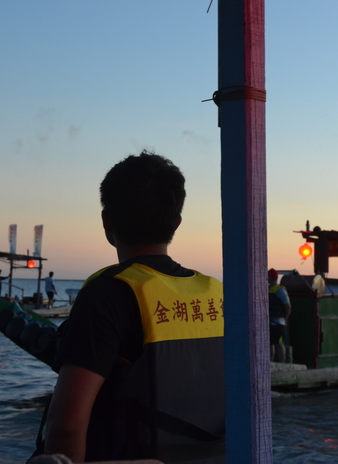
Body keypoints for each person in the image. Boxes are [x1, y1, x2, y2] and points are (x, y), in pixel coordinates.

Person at [38, 151, 225, 463]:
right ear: (176, 222)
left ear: (106, 221)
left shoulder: (110, 293)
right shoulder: (217, 294)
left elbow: (68, 426)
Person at [268, 268, 291, 363]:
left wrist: (285, 319)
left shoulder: (281, 291)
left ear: (272, 278)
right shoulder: (267, 290)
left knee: (280, 343)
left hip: (279, 322)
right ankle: (270, 362)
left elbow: (288, 307)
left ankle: (282, 362)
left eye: (268, 276)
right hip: (269, 321)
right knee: (270, 343)